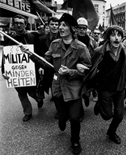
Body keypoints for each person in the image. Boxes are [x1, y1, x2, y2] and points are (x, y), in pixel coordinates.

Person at [20, 13, 92, 154]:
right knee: (62, 116)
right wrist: (30, 54)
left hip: (74, 89)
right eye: (60, 25)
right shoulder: (54, 45)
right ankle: (62, 120)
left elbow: (87, 70)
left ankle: (75, 141)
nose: (60, 27)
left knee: (75, 118)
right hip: (58, 87)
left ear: (72, 28)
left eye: (64, 25)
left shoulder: (81, 47)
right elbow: (45, 63)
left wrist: (71, 72)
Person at [81, 25, 126, 145]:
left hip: (119, 88)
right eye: (113, 35)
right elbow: (90, 66)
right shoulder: (99, 51)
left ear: (122, 38)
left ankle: (111, 132)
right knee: (107, 115)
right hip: (105, 88)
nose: (116, 38)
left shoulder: (124, 50)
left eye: (119, 35)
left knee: (119, 116)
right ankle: (100, 103)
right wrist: (80, 66)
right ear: (108, 37)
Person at [1, 14, 44, 122]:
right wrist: (4, 71)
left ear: (25, 24)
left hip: (31, 72)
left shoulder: (33, 37)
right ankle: (27, 112)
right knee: (21, 94)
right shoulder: (9, 39)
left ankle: (39, 99)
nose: (19, 25)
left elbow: (39, 54)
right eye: (16, 23)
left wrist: (40, 67)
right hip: (17, 74)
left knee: (33, 93)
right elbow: (6, 57)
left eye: (21, 23)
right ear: (13, 25)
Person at [76, 17, 97, 108]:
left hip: (88, 69)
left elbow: (96, 55)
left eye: (84, 28)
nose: (81, 30)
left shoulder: (92, 41)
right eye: (80, 28)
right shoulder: (72, 40)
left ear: (86, 29)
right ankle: (79, 112)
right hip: (75, 68)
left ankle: (86, 96)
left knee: (86, 89)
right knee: (76, 91)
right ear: (76, 28)